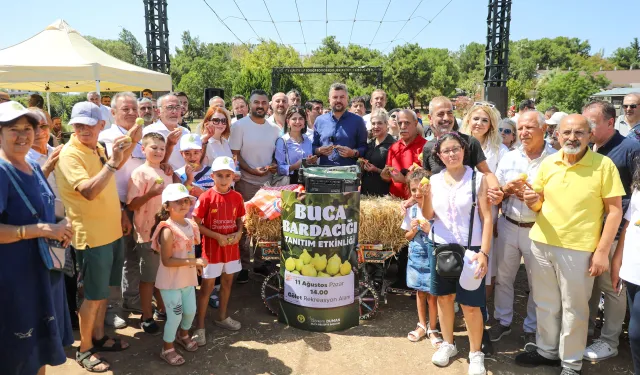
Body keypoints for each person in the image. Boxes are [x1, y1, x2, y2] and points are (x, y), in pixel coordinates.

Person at [515, 114, 625, 375]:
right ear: (557, 135)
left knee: (574, 309)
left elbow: (615, 212)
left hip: (579, 250)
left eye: (579, 133)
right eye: (566, 133)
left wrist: (601, 253)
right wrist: (531, 199)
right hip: (541, 243)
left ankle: (571, 363)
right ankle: (547, 352)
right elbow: (539, 203)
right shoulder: (549, 163)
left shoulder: (603, 165)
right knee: (545, 303)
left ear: (590, 135)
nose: (572, 138)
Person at [55, 101, 133, 372]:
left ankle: (98, 337)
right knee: (92, 295)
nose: (82, 129)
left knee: (103, 294)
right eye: (78, 124)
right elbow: (88, 191)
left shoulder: (97, 148)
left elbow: (108, 184)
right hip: (91, 237)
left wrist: (121, 213)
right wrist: (112, 163)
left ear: (101, 125)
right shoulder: (70, 154)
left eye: (89, 124)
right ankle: (85, 348)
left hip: (111, 232)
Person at [0, 101, 74, 375]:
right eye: (13, 129)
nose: (22, 135)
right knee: (18, 357)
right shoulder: (1, 171)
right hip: (15, 282)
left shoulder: (32, 164)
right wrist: (41, 230)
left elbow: (48, 208)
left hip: (43, 275)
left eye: (28, 128)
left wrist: (64, 224)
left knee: (39, 352)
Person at [420, 132, 494, 375]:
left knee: (471, 305)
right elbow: (429, 215)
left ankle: (476, 352)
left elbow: (487, 218)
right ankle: (449, 344)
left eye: (455, 149)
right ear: (439, 156)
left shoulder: (478, 179)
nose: (451, 154)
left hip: (471, 251)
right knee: (444, 298)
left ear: (464, 150)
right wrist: (424, 198)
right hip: (440, 247)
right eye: (446, 151)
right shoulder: (434, 180)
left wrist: (484, 252)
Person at [490, 111, 557, 346]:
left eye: (530, 127)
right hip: (508, 223)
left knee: (536, 282)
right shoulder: (509, 157)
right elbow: (497, 192)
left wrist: (536, 197)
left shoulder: (555, 159)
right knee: (504, 278)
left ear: (544, 129)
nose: (524, 133)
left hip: (538, 228)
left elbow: (560, 198)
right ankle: (502, 321)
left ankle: (531, 327)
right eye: (521, 128)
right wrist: (507, 190)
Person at [583, 100, 640, 361]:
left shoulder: (630, 149)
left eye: (592, 123)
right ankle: (587, 332)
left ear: (609, 122)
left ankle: (609, 340)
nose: (587, 128)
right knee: (592, 285)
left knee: (611, 286)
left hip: (616, 233)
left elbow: (634, 196)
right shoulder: (590, 148)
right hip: (590, 231)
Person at [98, 92, 146, 325]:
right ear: (113, 112)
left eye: (133, 109)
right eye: (125, 109)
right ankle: (113, 308)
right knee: (118, 257)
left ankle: (132, 298)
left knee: (136, 255)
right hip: (116, 204)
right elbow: (113, 166)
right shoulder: (106, 137)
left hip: (142, 203)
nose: (131, 113)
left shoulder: (144, 134)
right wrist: (133, 140)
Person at [192, 156, 246, 345]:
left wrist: (239, 232)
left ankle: (222, 317)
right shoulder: (206, 197)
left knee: (227, 282)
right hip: (212, 250)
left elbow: (240, 218)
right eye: (220, 175)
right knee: (206, 287)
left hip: (231, 249)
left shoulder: (237, 197)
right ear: (213, 176)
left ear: (233, 176)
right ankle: (199, 327)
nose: (224, 180)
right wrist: (217, 236)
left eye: (227, 175)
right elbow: (196, 224)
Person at [150, 183, 205, 365]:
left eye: (186, 200)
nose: (183, 204)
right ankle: (167, 348)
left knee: (190, 312)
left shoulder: (190, 224)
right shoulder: (167, 230)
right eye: (177, 201)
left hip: (187, 279)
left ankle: (183, 335)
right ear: (167, 206)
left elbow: (189, 251)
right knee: (175, 316)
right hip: (171, 282)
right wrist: (193, 262)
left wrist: (195, 265)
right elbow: (167, 261)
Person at [230, 89, 280, 282]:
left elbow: (277, 154)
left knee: (264, 226)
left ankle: (259, 263)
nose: (260, 106)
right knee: (244, 225)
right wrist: (250, 170)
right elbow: (235, 154)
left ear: (269, 106)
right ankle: (243, 265)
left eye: (264, 103)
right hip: (245, 183)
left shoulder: (275, 128)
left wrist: (274, 166)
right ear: (250, 104)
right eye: (256, 102)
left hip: (267, 185)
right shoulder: (239, 126)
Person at [126, 132, 171, 335]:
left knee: (162, 274)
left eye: (162, 148)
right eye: (154, 147)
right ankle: (146, 315)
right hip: (147, 233)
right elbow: (132, 204)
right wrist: (152, 193)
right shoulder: (140, 173)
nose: (159, 151)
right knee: (148, 278)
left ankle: (162, 308)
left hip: (167, 232)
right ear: (143, 149)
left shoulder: (166, 172)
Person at [460, 102, 509, 291]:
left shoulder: (499, 150)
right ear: (468, 120)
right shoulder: (458, 144)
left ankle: (482, 303)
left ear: (491, 125)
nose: (479, 123)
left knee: (486, 250)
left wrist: (498, 192)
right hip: (462, 205)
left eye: (485, 120)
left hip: (488, 204)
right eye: (476, 119)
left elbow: (502, 180)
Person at [421, 97, 503, 204]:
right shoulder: (428, 147)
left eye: (450, 113)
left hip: (467, 211)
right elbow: (426, 180)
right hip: (439, 213)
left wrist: (495, 190)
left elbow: (486, 172)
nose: (446, 118)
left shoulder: (470, 142)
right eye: (440, 114)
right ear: (430, 118)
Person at [402, 168, 442, 347]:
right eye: (413, 190)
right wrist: (414, 229)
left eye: (421, 189)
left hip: (432, 254)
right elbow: (407, 237)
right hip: (417, 255)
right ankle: (421, 325)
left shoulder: (436, 208)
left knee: (433, 294)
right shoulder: (411, 211)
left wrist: (429, 230)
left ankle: (433, 328)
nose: (417, 193)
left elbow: (444, 232)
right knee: (420, 291)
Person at [611, 167, 640, 375]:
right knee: (636, 334)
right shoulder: (638, 186)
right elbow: (630, 223)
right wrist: (617, 260)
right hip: (633, 268)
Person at [313, 83, 368, 166]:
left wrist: (353, 153)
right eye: (335, 97)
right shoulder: (319, 120)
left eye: (342, 97)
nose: (338, 100)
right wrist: (319, 150)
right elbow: (313, 147)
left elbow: (364, 148)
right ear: (329, 100)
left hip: (349, 174)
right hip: (325, 173)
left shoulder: (358, 121)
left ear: (347, 99)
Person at [26, 108, 64, 218]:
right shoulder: (20, 161)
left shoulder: (60, 152)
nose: (39, 132)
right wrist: (47, 167)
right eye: (33, 127)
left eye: (43, 126)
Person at [383, 109, 427, 199]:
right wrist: (384, 176)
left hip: (417, 201)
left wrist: (404, 180)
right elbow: (388, 177)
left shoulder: (426, 147)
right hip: (394, 202)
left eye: (407, 123)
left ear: (415, 123)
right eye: (400, 123)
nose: (403, 127)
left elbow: (430, 179)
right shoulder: (393, 147)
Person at [143, 93, 190, 171]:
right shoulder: (149, 132)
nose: (174, 111)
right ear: (158, 112)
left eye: (177, 107)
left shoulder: (186, 132)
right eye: (170, 107)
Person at [274, 106, 317, 185]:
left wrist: (312, 161)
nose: (297, 122)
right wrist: (294, 166)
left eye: (301, 118)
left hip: (307, 181)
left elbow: (309, 162)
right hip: (290, 182)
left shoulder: (308, 140)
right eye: (294, 119)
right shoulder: (282, 141)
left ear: (304, 122)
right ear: (288, 122)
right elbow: (279, 169)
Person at [361, 109, 395, 196]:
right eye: (373, 123)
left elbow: (394, 173)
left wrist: (376, 170)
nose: (376, 126)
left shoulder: (393, 145)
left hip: (383, 195)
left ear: (386, 124)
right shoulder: (369, 143)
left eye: (379, 123)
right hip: (366, 193)